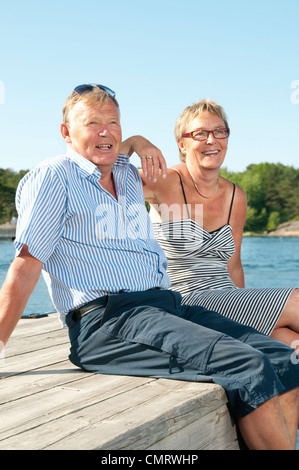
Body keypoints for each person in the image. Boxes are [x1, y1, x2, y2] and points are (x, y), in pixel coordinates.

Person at [0, 85, 299, 450]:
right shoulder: (54, 177)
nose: (105, 130)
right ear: (66, 132)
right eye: (91, 122)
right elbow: (25, 267)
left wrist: (137, 141)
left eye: (113, 122)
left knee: (284, 359)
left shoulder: (125, 175)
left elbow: (112, 149)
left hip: (165, 303)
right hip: (106, 320)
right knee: (248, 365)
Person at [126, 99, 299, 352]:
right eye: (200, 133)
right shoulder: (163, 181)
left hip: (227, 300)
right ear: (182, 144)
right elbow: (100, 179)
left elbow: (234, 265)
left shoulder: (235, 196)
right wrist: (135, 142)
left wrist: (249, 320)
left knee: (288, 340)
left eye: (220, 132)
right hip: (183, 302)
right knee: (295, 300)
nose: (212, 140)